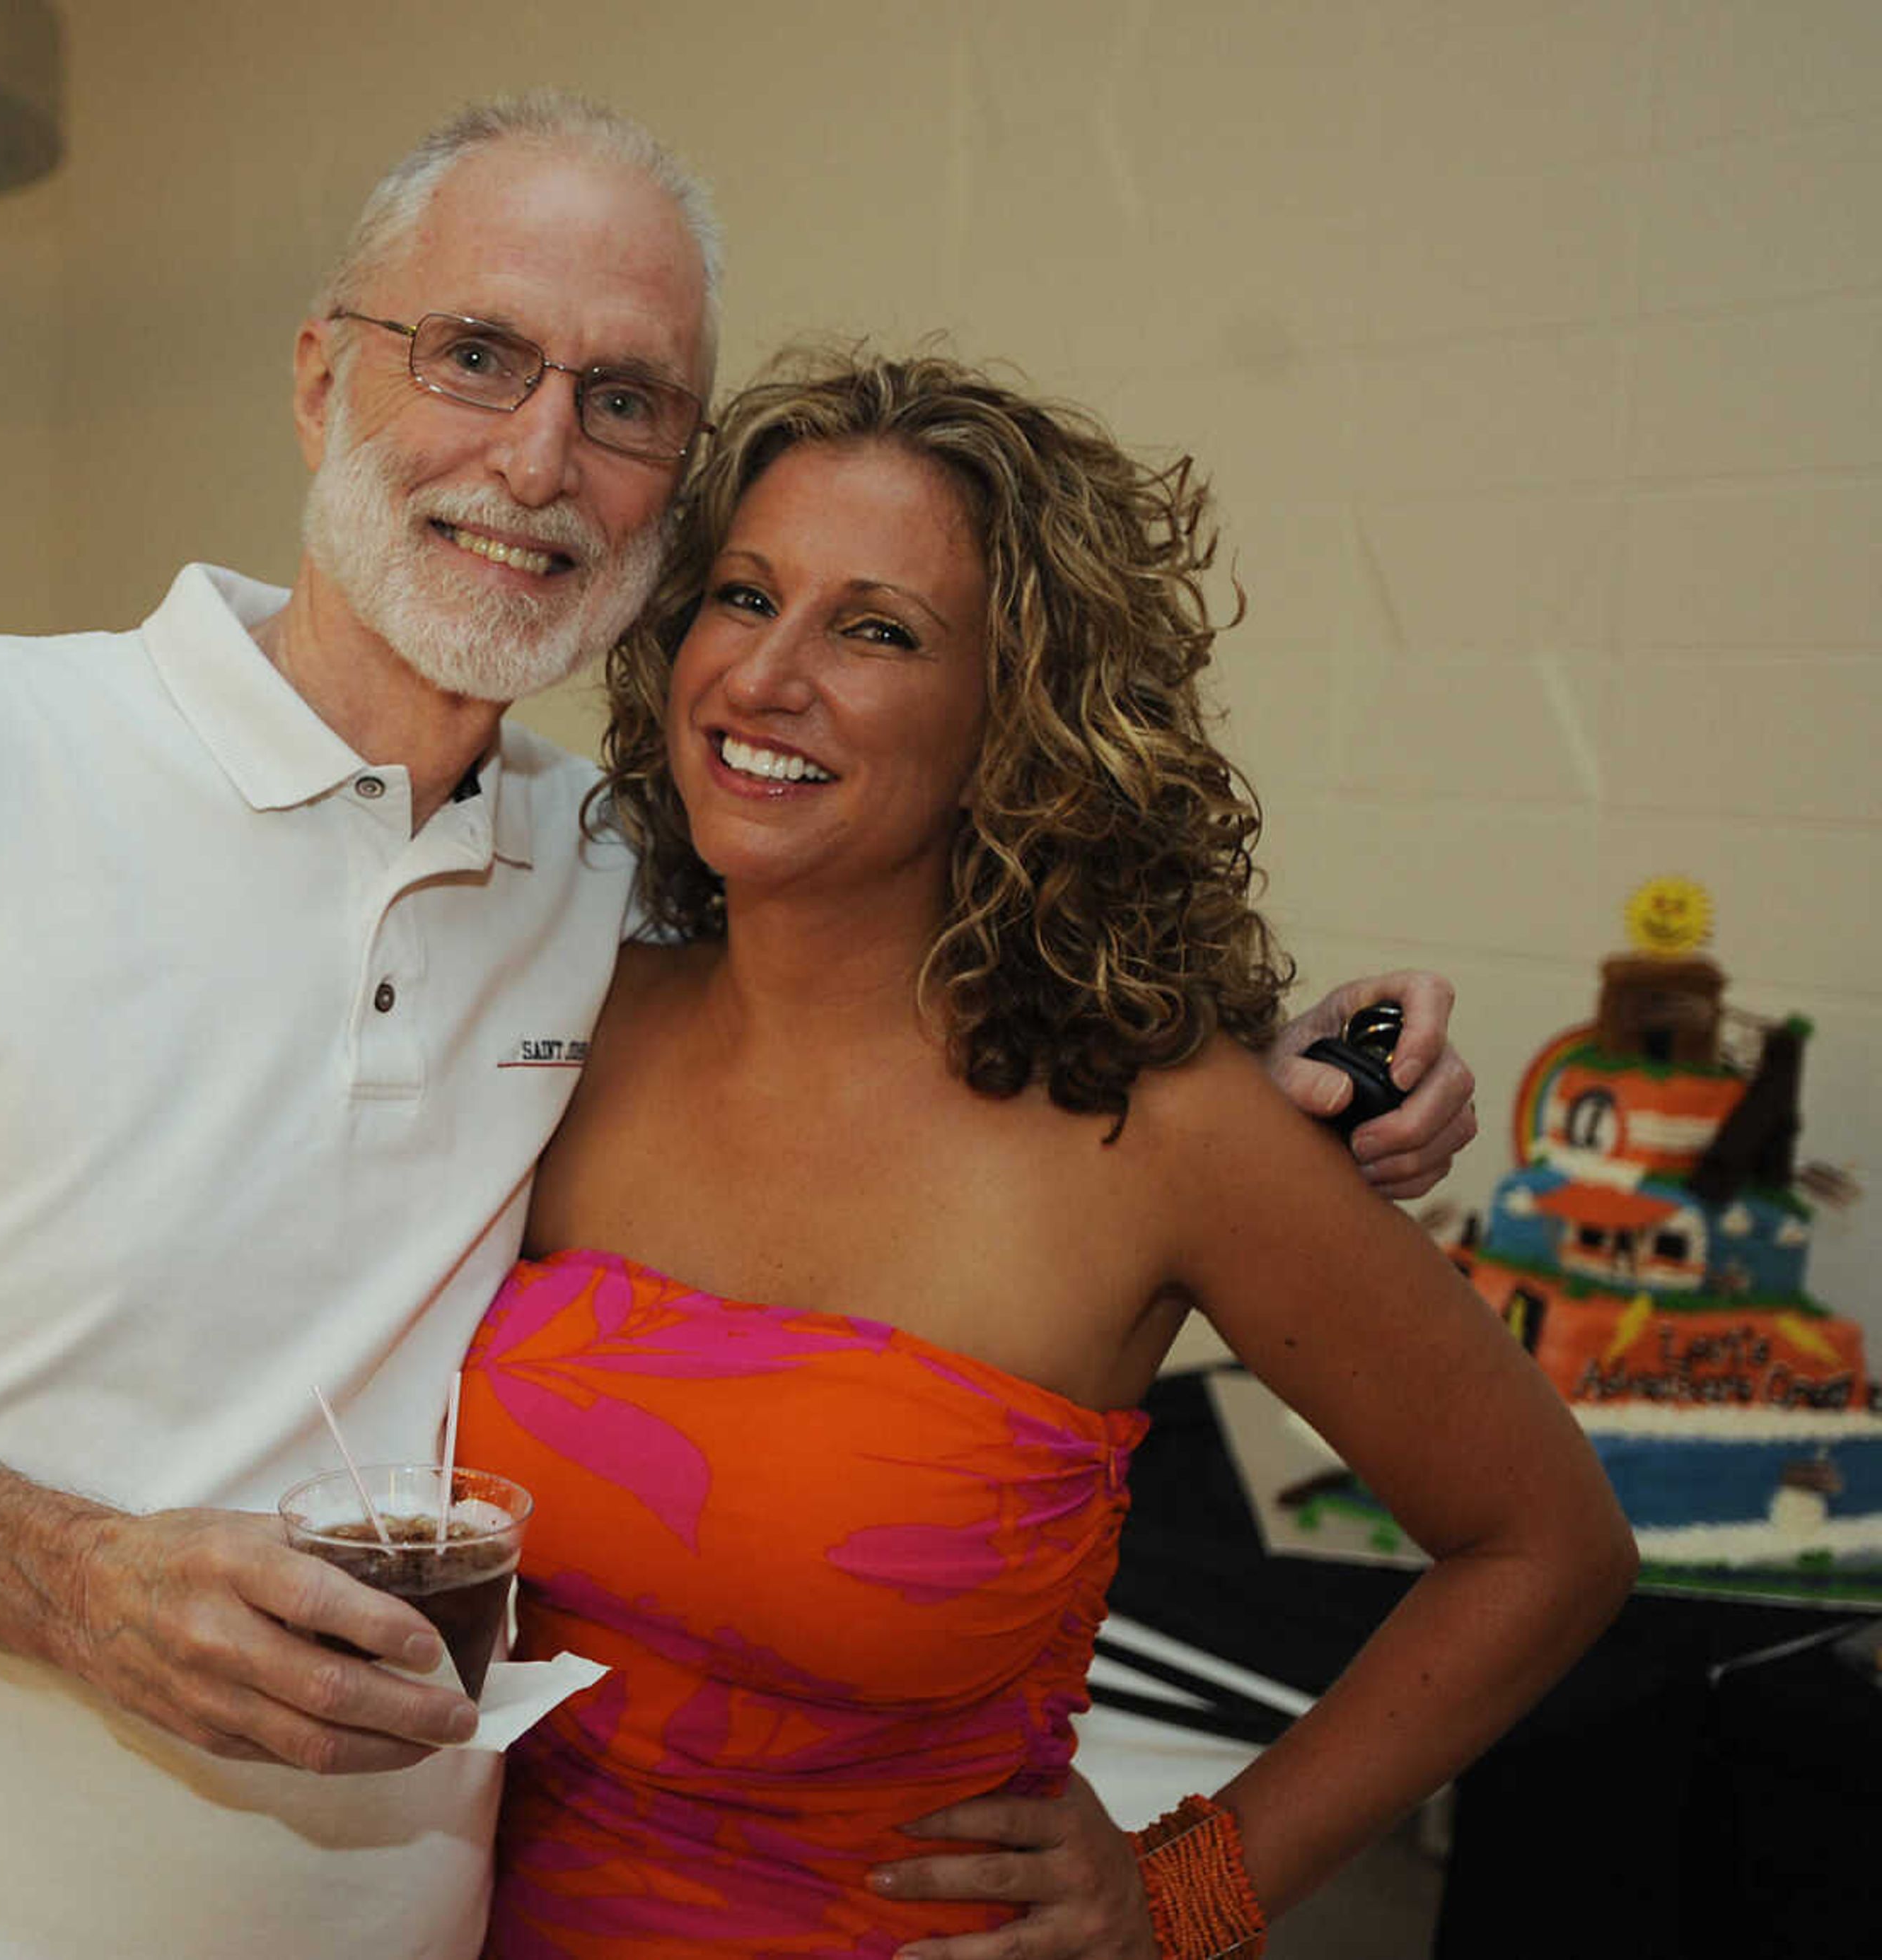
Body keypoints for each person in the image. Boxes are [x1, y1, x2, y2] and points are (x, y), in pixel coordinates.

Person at [0, 95, 1477, 1960]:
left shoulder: (607, 890)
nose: (540, 459)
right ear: (318, 377)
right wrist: (73, 1581)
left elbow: (926, 1003)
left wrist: (1288, 1094)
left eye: (622, 403)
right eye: (477, 354)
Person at [455, 351, 1637, 1960]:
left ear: (1016, 709)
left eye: (876, 629)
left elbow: (1544, 1548)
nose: (766, 678)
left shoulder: (1162, 1130)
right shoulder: (560, 1014)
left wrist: (1191, 1893)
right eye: (743, 597)